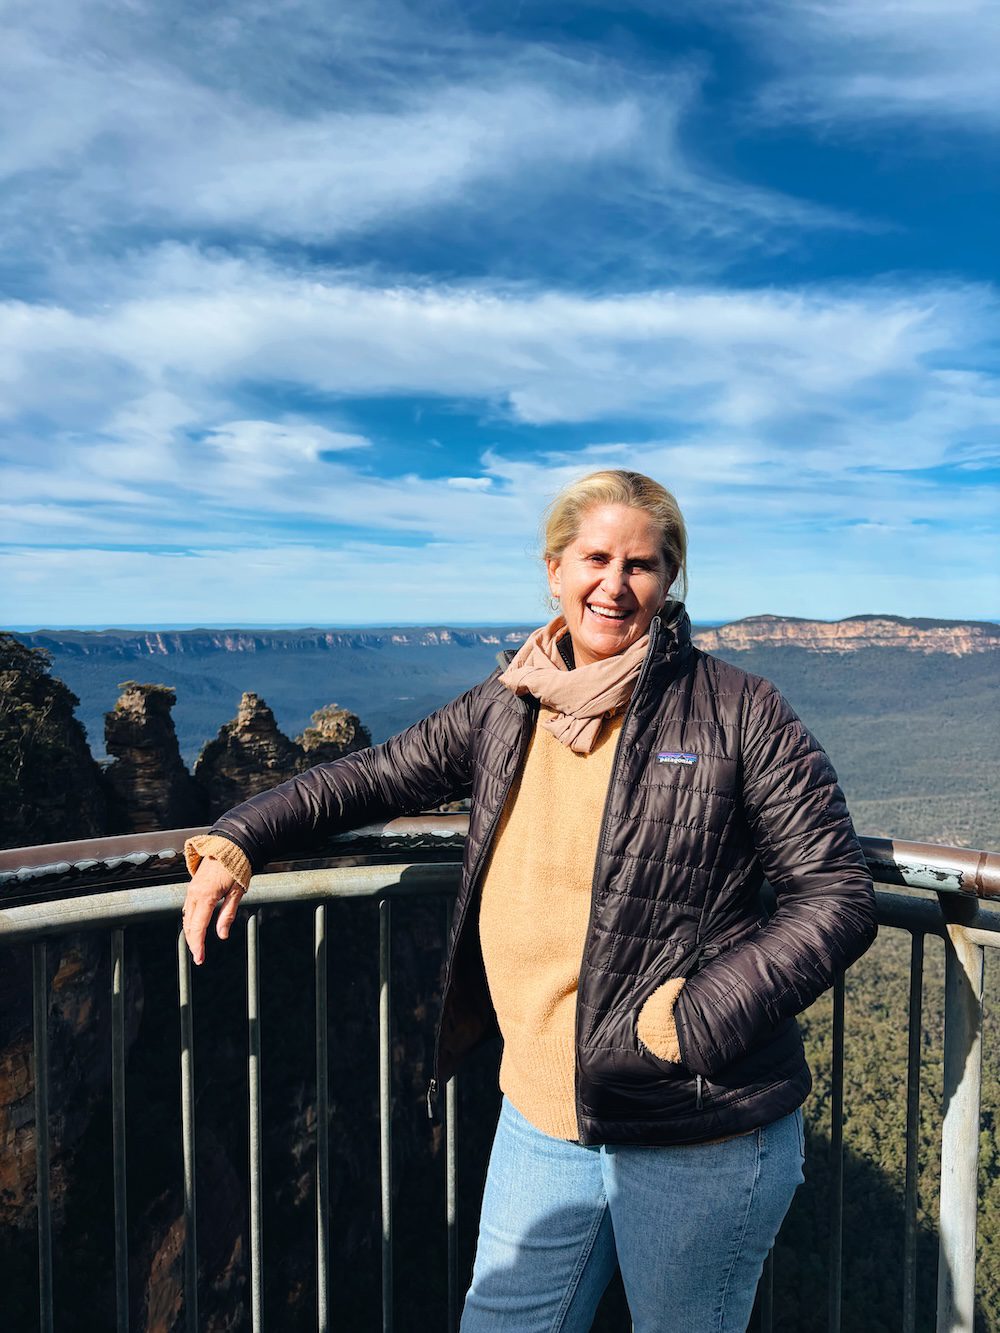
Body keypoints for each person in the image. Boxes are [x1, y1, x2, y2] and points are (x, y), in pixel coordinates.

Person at [182, 469, 877, 1332]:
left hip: (694, 1121)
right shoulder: (509, 702)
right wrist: (237, 838)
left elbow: (837, 893)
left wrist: (692, 1023)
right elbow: (372, 775)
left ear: (670, 582)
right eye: (595, 558)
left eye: (642, 564)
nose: (614, 585)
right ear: (555, 570)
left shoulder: (739, 711)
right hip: (542, 1113)